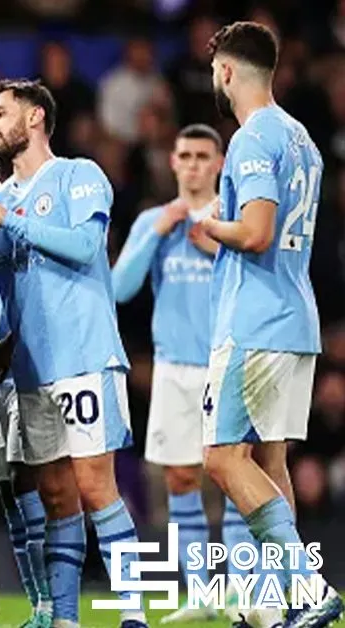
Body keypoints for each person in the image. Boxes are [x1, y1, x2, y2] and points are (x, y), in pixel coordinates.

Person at [0, 78, 145, 628]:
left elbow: (86, 247)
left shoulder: (77, 175)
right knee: (56, 495)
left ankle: (133, 615)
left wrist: (6, 219)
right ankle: (64, 619)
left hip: (84, 354)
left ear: (35, 116)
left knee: (96, 486)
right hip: (29, 369)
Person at [198, 21, 341, 627]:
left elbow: (256, 233)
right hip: (294, 318)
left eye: (214, 71)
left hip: (255, 321)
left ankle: (309, 589)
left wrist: (212, 222)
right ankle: (275, 603)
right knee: (271, 463)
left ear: (228, 71)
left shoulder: (252, 138)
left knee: (222, 458)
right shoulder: (303, 139)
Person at [111, 123, 224, 625]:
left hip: (225, 364)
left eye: (203, 155)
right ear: (173, 162)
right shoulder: (153, 219)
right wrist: (160, 230)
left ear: (219, 163)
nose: (194, 164)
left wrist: (213, 246)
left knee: (236, 478)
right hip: (174, 367)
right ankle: (200, 594)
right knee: (180, 477)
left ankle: (246, 589)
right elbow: (119, 288)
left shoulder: (235, 218)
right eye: (186, 155)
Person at [0, 90, 52, 628]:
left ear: (33, 116)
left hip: (34, 357)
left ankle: (54, 605)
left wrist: (17, 336)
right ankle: (38, 603)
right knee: (6, 486)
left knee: (41, 481)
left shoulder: (51, 185)